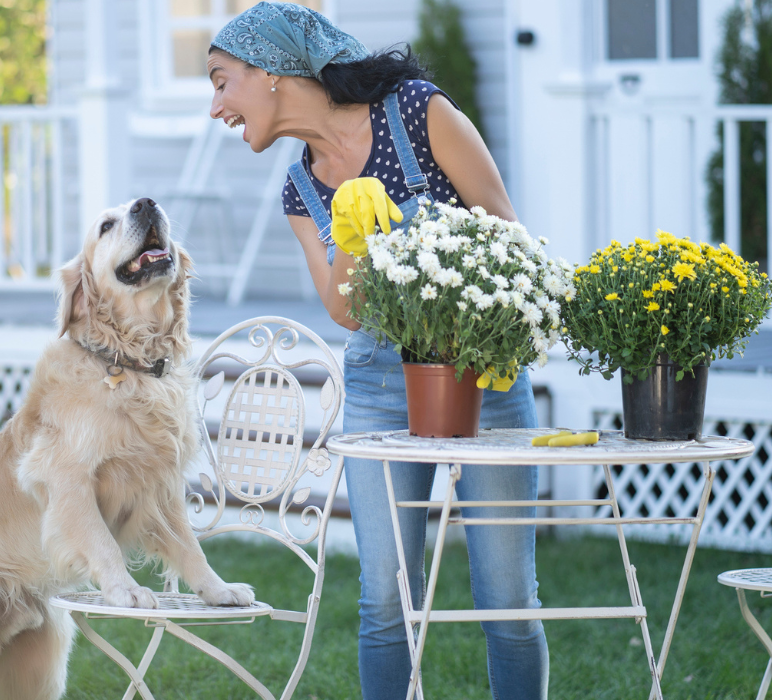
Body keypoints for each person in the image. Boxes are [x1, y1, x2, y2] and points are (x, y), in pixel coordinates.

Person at [205, 3, 549, 699]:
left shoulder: (418, 113)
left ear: (271, 72)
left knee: (506, 598)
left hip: (483, 372)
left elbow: (506, 231)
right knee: (385, 601)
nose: (216, 107)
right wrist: (356, 229)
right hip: (379, 387)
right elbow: (343, 310)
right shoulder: (301, 188)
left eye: (221, 81)